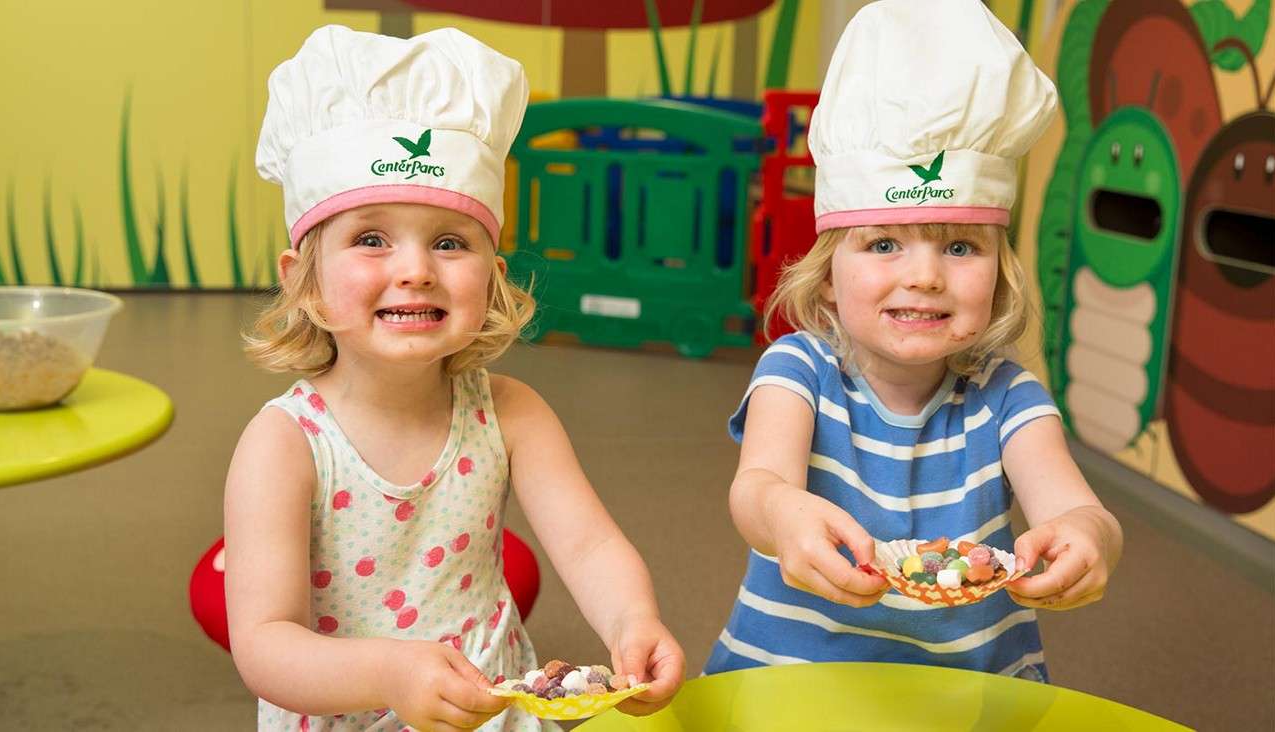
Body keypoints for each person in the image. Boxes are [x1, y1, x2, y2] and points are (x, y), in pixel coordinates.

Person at [224, 25, 684, 731]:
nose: (415, 269)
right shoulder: (284, 442)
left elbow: (589, 545)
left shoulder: (511, 412)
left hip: (491, 711)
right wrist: (387, 670)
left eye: (449, 242)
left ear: (492, 278)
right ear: (305, 283)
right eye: (371, 239)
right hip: (342, 716)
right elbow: (264, 643)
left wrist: (633, 620)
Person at [704, 0, 1122, 682]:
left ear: (1000, 273)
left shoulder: (1008, 398)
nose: (924, 276)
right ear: (830, 277)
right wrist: (783, 514)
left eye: (960, 245)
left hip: (969, 695)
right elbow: (757, 489)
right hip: (791, 681)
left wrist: (1089, 537)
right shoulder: (799, 370)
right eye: (884, 243)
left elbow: (1076, 507)